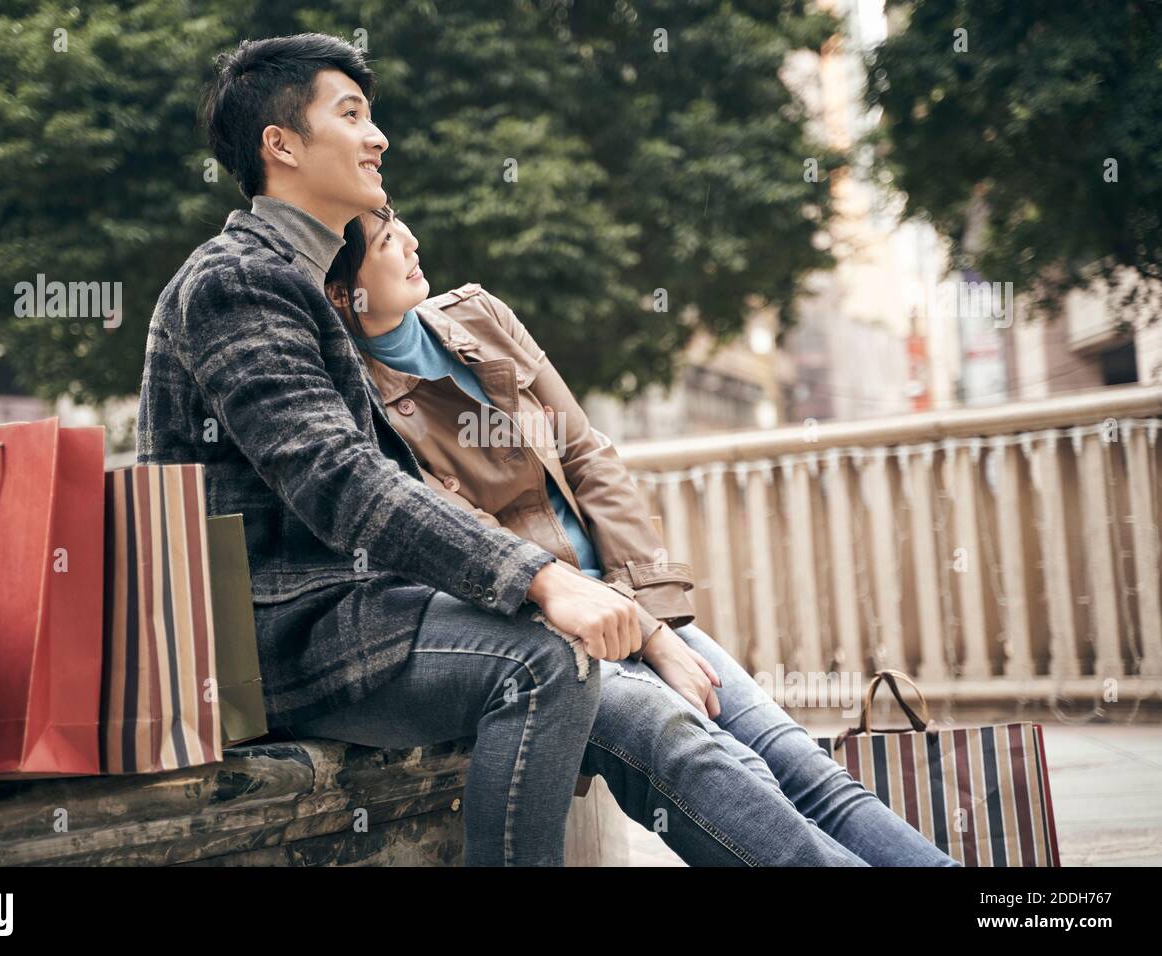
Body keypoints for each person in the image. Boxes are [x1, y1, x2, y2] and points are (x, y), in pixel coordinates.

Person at [316, 201, 963, 867]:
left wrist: (650, 613)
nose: (413, 242)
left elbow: (588, 456)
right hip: (549, 634)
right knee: (743, 774)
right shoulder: (356, 404)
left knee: (803, 763)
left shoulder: (478, 316)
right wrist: (630, 629)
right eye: (390, 240)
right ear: (343, 291)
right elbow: (467, 542)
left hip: (629, 600)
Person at [136, 33, 643, 866]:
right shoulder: (237, 281)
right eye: (352, 115)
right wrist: (542, 578)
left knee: (614, 685)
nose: (378, 138)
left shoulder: (304, 276)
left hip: (346, 610)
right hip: (277, 634)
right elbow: (338, 478)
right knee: (546, 663)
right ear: (282, 145)